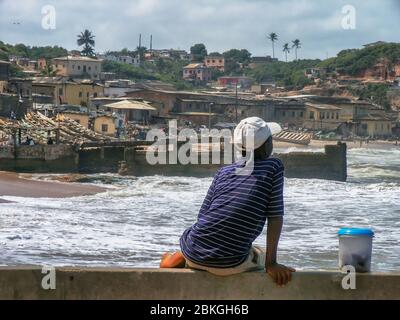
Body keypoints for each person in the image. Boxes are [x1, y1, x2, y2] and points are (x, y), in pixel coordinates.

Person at [160, 117, 295, 286]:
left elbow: (203, 215)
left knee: (200, 238)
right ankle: (184, 257)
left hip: (195, 250)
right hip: (231, 263)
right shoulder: (274, 166)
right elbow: (275, 216)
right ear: (268, 143)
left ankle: (176, 258)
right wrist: (271, 263)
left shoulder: (223, 172)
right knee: (257, 254)